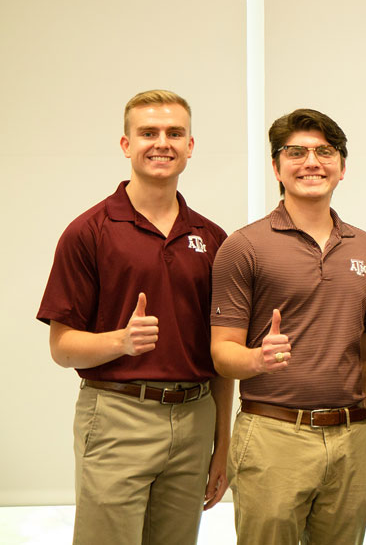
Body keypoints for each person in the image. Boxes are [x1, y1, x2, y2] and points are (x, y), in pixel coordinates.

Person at [37, 90, 232, 545]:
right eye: (148, 133)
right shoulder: (88, 231)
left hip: (194, 416)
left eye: (174, 133)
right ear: (126, 145)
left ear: (190, 146)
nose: (161, 142)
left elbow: (221, 353)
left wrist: (220, 447)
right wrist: (118, 342)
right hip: (116, 415)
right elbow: (61, 348)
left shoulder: (212, 238)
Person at [210, 108, 366, 545]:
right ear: (276, 166)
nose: (312, 162)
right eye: (296, 152)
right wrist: (257, 357)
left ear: (342, 167)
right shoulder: (244, 246)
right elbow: (222, 352)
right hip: (273, 436)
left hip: (352, 437)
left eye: (324, 152)